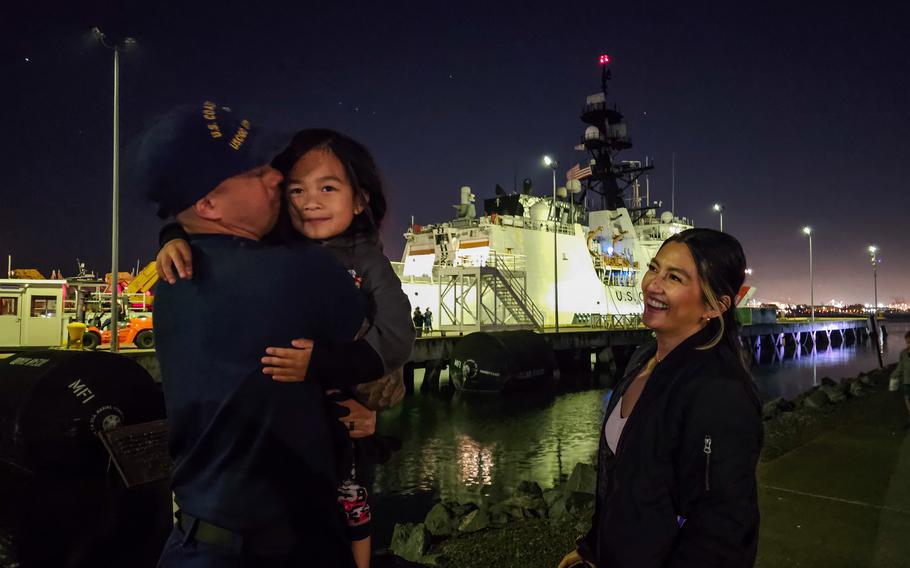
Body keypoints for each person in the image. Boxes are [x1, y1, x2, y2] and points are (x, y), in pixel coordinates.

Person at [157, 128, 414, 568]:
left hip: (257, 504)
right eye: (295, 188)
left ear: (359, 200)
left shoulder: (362, 260)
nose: (306, 200)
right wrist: (172, 237)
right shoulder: (280, 258)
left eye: (327, 188)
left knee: (351, 505)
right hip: (282, 494)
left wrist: (330, 366)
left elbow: (394, 336)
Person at [558, 228, 762, 568]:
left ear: (715, 306)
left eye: (674, 277)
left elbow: (723, 531)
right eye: (654, 268)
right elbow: (622, 482)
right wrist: (594, 548)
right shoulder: (643, 359)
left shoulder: (718, 391)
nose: (652, 284)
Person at [891, 330, 910, 428]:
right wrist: (894, 375)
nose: (908, 345)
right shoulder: (903, 353)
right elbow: (900, 367)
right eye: (907, 342)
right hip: (906, 381)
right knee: (907, 399)